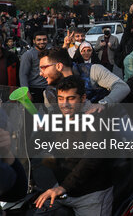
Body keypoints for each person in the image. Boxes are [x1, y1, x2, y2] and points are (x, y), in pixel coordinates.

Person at [34, 76, 115, 216]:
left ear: (83, 98)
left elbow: (92, 158)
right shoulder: (55, 117)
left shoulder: (97, 120)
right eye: (60, 98)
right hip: (62, 187)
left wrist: (64, 187)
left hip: (90, 195)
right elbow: (39, 145)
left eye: (70, 99)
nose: (64, 104)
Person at [39, 48, 129, 111]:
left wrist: (102, 104)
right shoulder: (48, 93)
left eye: (44, 68)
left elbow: (122, 87)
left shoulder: (93, 70)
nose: (40, 73)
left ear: (59, 66)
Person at [18, 30, 49, 103]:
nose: (42, 42)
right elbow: (23, 74)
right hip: (34, 89)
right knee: (32, 114)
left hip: (48, 89)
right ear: (34, 41)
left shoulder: (50, 53)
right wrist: (26, 92)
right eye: (39, 40)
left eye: (44, 39)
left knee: (50, 113)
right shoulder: (28, 55)